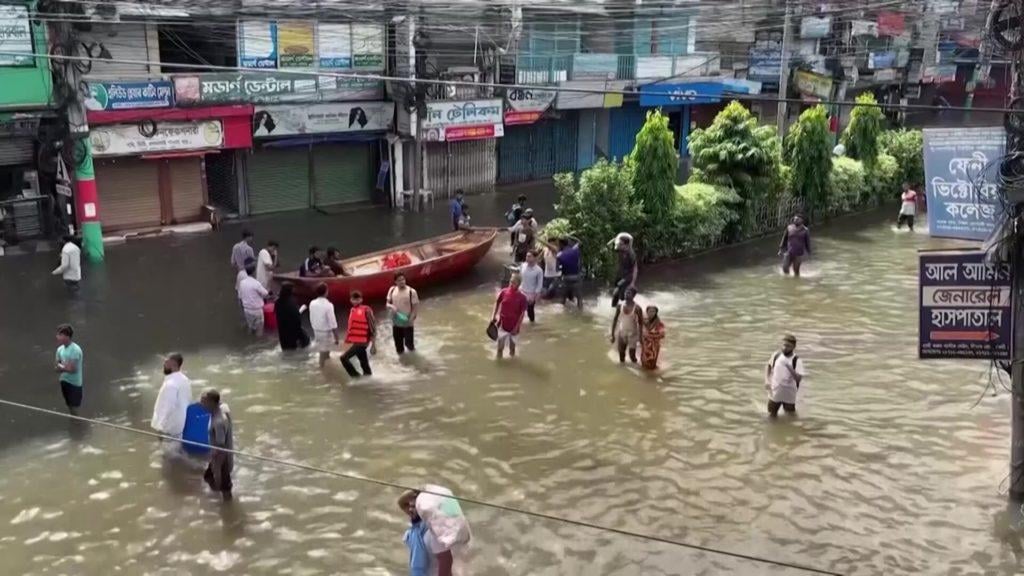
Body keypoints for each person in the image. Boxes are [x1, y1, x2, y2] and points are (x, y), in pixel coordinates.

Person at [201, 389, 234, 501]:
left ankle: (227, 506)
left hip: (221, 457)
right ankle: (217, 494)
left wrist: (217, 470)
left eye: (204, 401)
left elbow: (221, 446)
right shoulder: (221, 408)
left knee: (225, 488)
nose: (201, 404)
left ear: (211, 402)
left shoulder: (218, 421)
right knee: (208, 477)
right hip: (217, 454)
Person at [151, 353, 192, 437]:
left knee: (167, 446)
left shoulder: (170, 384)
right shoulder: (185, 379)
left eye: (166, 362)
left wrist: (160, 427)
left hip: (169, 430)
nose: (164, 364)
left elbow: (168, 406)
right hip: (182, 427)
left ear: (173, 364)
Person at [765, 334, 806, 417]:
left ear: (793, 347)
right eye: (784, 345)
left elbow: (798, 379)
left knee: (790, 416)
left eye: (788, 346)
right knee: (771, 415)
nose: (785, 348)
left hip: (789, 393)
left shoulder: (796, 360)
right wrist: (767, 380)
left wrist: (789, 367)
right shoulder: (776, 355)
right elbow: (768, 366)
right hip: (775, 390)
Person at [492, 274, 528, 360]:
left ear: (519, 284)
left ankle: (512, 362)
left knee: (512, 349)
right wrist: (493, 315)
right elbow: (497, 303)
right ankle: (499, 362)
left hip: (514, 327)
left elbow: (522, 314)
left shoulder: (522, 298)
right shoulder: (503, 292)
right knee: (500, 348)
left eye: (514, 283)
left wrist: (516, 327)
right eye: (511, 281)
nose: (511, 284)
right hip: (502, 325)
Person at [340, 290, 377, 378]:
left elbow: (372, 327)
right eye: (354, 299)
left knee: (343, 358)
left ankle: (356, 378)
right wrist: (346, 342)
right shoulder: (353, 310)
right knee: (364, 363)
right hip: (356, 342)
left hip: (363, 342)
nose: (356, 301)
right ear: (351, 300)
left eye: (358, 299)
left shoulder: (366, 310)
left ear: (361, 300)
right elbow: (351, 328)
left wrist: (373, 345)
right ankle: (368, 378)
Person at [543, 235, 582, 308]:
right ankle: (580, 311)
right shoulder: (575, 250)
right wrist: (570, 236)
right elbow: (579, 242)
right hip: (577, 277)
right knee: (579, 298)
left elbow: (557, 269)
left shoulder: (560, 255)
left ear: (561, 244)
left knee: (563, 298)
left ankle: (563, 310)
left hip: (566, 278)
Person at [387, 272, 419, 354]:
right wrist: (391, 306)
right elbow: (387, 304)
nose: (402, 281)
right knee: (399, 348)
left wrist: (410, 321)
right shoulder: (392, 290)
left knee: (410, 347)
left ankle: (413, 359)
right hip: (396, 324)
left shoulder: (411, 292)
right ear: (395, 282)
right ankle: (402, 361)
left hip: (407, 323)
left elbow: (415, 309)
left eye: (403, 279)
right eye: (399, 280)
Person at [54, 324, 83, 415]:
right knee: (69, 406)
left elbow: (72, 369)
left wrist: (62, 367)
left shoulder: (75, 350)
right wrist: (64, 367)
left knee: (75, 408)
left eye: (60, 335)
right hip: (64, 381)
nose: (57, 337)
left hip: (74, 384)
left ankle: (78, 422)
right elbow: (56, 367)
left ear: (67, 336)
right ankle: (74, 422)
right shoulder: (60, 349)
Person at [309, 283, 339, 367]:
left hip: (316, 331)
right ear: (326, 292)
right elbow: (333, 322)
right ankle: (322, 369)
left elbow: (311, 316)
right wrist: (336, 337)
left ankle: (325, 367)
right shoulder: (328, 305)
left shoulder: (312, 303)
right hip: (326, 332)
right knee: (324, 353)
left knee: (323, 351)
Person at [610, 287, 643, 364]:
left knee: (632, 356)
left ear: (633, 295)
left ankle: (636, 367)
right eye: (625, 292)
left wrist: (640, 338)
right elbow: (615, 319)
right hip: (622, 332)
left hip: (633, 334)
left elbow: (641, 323)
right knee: (621, 355)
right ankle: (623, 368)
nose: (626, 294)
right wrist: (612, 335)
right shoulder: (620, 305)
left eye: (628, 293)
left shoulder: (637, 308)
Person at [237, 259, 270, 334]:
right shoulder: (256, 283)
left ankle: (248, 338)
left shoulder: (242, 283)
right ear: (254, 272)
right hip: (257, 311)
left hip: (247, 310)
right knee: (259, 331)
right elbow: (266, 294)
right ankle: (257, 340)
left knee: (250, 327)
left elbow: (240, 297)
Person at [275, 282, 310, 351]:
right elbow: (296, 319)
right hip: (292, 332)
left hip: (282, 331)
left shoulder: (278, 302)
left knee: (286, 349)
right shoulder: (291, 302)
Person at [610, 234, 638, 308]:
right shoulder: (620, 249)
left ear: (626, 245)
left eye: (621, 244)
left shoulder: (631, 254)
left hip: (628, 277)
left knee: (617, 293)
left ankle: (619, 309)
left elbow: (635, 268)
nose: (619, 245)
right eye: (619, 243)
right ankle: (620, 308)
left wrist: (633, 282)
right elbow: (608, 246)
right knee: (620, 295)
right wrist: (615, 239)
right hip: (620, 275)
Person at [519, 250, 544, 323]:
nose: (527, 258)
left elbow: (539, 284)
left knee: (530, 311)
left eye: (529, 256)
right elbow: (520, 278)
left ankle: (532, 323)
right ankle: (519, 324)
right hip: (521, 291)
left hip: (531, 294)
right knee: (518, 309)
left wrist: (535, 296)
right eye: (527, 256)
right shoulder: (523, 265)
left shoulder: (538, 270)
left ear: (535, 258)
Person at [640, 306, 666, 370]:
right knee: (643, 361)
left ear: (656, 313)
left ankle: (652, 375)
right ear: (647, 312)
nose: (651, 313)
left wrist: (649, 336)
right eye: (650, 311)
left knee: (651, 363)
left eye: (653, 311)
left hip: (654, 346)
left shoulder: (659, 324)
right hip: (645, 344)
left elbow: (662, 335)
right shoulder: (645, 321)